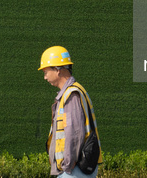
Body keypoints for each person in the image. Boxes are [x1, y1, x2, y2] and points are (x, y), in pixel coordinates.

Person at [39, 46, 103, 177]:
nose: (45, 77)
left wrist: (67, 166)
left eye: (45, 72)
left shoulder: (71, 95)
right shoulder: (71, 93)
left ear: (57, 70)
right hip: (76, 169)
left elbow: (74, 134)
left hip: (74, 170)